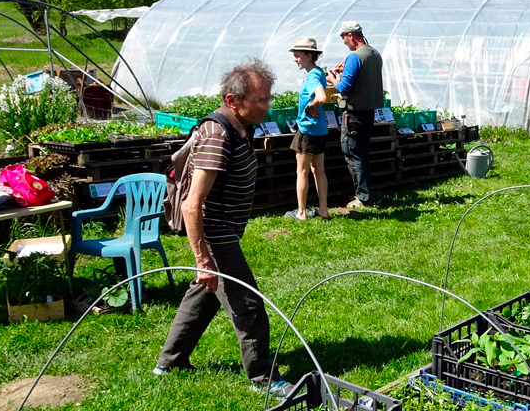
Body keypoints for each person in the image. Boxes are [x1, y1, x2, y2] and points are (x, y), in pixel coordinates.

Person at [155, 59, 290, 397]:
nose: (266, 106)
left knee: (204, 296)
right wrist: (203, 260)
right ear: (233, 101)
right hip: (214, 232)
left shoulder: (241, 127)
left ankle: (168, 363)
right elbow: (191, 203)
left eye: (267, 98)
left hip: (224, 228)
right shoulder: (217, 135)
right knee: (247, 303)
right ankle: (263, 378)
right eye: (259, 100)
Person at [326, 21, 384, 209]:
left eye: (343, 37)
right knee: (363, 153)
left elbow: (343, 88)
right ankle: (367, 192)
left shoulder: (354, 57)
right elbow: (364, 79)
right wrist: (347, 71)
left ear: (350, 35)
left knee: (353, 153)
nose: (344, 42)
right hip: (369, 113)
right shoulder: (374, 54)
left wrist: (332, 78)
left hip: (354, 114)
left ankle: (362, 197)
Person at [285, 37, 330, 221]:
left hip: (307, 131)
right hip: (319, 130)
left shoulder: (312, 76)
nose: (295, 59)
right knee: (318, 169)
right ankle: (323, 210)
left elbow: (321, 97)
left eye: (297, 55)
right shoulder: (319, 72)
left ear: (309, 55)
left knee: (302, 171)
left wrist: (311, 106)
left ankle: (301, 213)